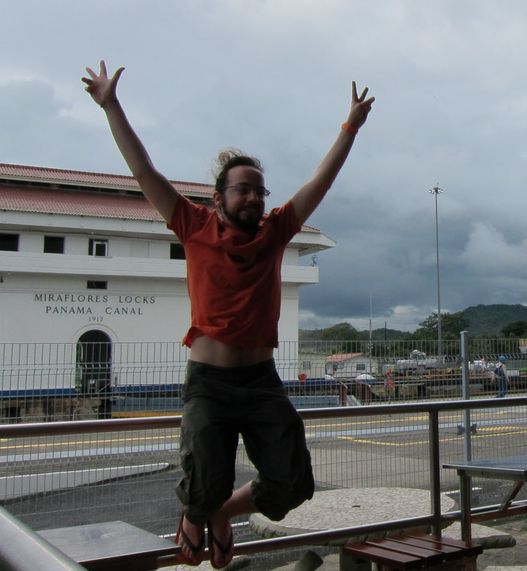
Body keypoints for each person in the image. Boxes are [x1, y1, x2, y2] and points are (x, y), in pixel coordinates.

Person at [82, 60, 374, 568]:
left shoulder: (276, 230)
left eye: (261, 189)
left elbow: (319, 183)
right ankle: (201, 510)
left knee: (291, 483)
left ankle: (219, 514)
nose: (256, 197)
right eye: (244, 189)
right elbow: (144, 170)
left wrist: (349, 128)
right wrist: (111, 105)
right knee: (199, 485)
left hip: (261, 381)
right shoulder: (191, 223)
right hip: (209, 383)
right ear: (218, 198)